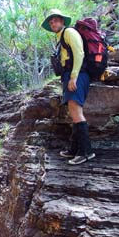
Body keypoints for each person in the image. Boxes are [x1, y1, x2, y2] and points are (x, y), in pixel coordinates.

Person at [41, 9, 95, 165]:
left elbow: (79, 53)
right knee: (73, 112)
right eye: (51, 22)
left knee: (76, 111)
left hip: (78, 75)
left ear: (62, 21)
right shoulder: (61, 37)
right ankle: (74, 148)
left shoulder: (69, 32)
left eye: (56, 20)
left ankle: (86, 152)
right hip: (69, 75)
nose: (53, 24)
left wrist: (74, 76)